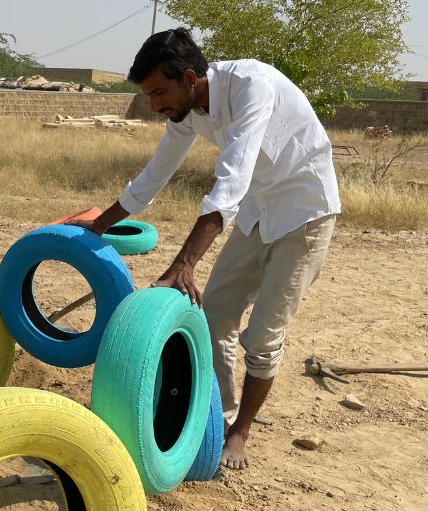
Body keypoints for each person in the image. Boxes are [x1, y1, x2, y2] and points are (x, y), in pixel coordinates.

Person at [72, 29, 340, 471]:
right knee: (214, 316)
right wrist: (98, 225)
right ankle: (217, 416)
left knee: (263, 337)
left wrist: (185, 263)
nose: (155, 105)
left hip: (303, 214)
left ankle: (240, 434)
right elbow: (155, 175)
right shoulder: (186, 111)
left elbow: (231, 180)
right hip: (258, 211)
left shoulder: (252, 86)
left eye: (159, 92)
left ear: (190, 77)